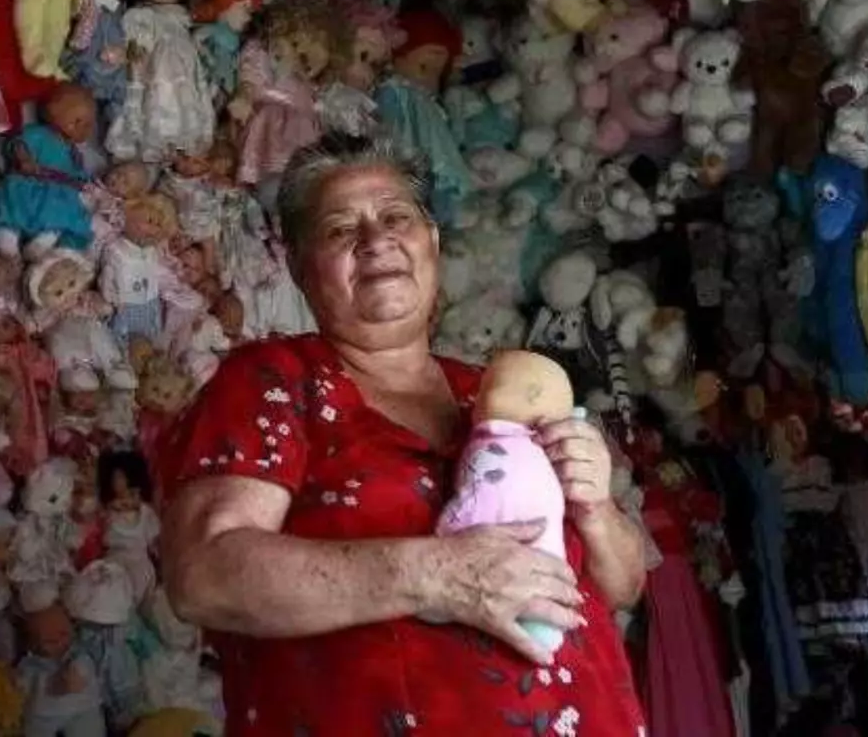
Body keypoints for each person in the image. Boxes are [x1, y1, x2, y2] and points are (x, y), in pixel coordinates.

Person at [158, 133, 649, 736]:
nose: (376, 240)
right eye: (341, 229)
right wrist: (436, 576)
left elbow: (620, 587)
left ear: (432, 242)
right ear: (298, 265)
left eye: (396, 216)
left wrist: (597, 508)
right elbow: (204, 575)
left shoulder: (500, 390)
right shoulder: (275, 382)